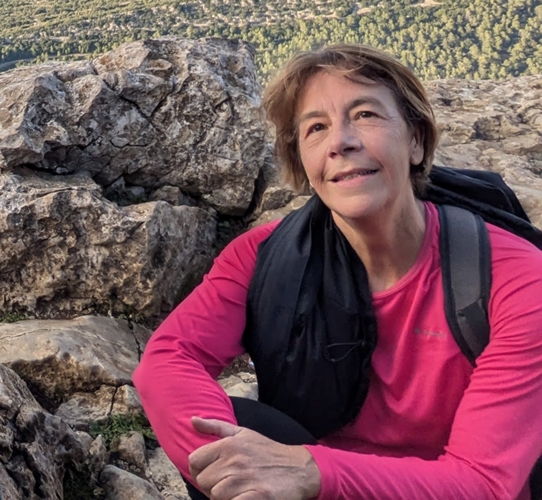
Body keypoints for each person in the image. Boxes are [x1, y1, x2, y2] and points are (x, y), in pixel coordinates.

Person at [133, 44, 542, 499]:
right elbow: (168, 359)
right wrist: (233, 469)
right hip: (312, 488)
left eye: (365, 115)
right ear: (302, 162)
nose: (340, 142)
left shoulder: (515, 278)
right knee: (229, 431)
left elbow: (483, 483)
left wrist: (313, 472)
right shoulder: (261, 258)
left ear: (416, 141)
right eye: (316, 128)